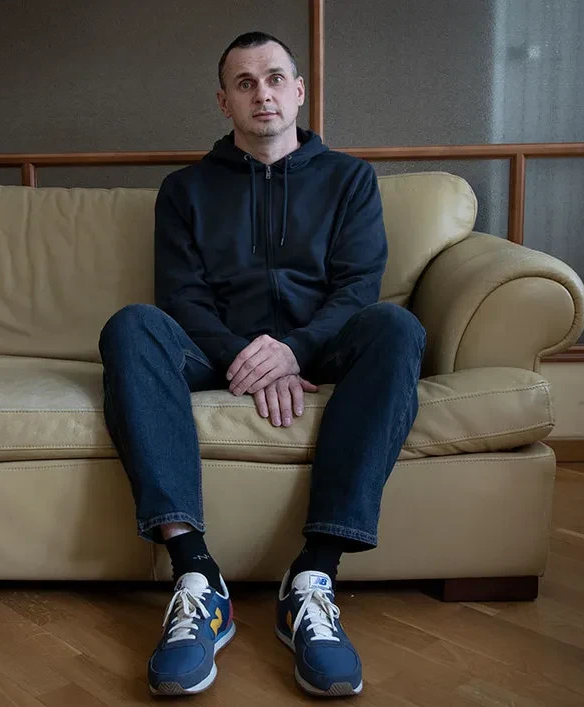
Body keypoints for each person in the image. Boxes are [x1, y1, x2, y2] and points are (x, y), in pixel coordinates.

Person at [98, 31, 425, 697]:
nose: (262, 93)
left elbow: (357, 288)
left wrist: (293, 350)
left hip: (321, 346)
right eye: (244, 83)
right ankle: (196, 575)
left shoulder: (350, 179)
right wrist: (249, 361)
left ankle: (312, 577)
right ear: (224, 101)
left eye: (275, 78)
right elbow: (181, 297)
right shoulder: (185, 190)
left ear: (299, 91)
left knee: (395, 326)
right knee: (131, 326)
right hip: (215, 350)